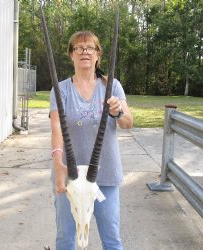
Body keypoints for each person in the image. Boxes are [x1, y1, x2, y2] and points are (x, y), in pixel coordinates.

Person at [49, 31, 133, 250]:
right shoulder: (60, 89)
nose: (84, 52)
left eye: (90, 48)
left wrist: (118, 111)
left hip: (105, 174)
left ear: (98, 55)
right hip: (70, 175)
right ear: (71, 54)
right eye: (78, 48)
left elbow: (127, 123)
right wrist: (58, 165)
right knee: (65, 239)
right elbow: (57, 127)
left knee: (112, 239)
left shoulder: (112, 86)